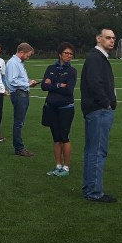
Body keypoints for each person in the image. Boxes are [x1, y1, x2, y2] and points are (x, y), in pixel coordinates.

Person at [82, 28, 118, 203]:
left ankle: (90, 188)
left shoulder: (97, 57)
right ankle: (94, 192)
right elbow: (95, 83)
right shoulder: (96, 58)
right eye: (108, 38)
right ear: (98, 39)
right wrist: (107, 103)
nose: (111, 41)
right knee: (97, 151)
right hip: (99, 110)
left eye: (113, 38)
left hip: (96, 110)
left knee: (92, 151)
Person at [41, 42, 77, 177]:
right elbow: (44, 86)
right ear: (60, 54)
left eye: (71, 54)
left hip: (66, 108)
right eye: (66, 53)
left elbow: (68, 90)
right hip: (52, 108)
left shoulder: (72, 71)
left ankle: (66, 167)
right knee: (56, 138)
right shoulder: (51, 68)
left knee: (64, 137)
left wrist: (53, 84)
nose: (68, 56)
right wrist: (59, 84)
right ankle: (58, 165)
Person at [5, 42, 38, 157]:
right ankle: (19, 148)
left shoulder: (18, 63)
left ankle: (19, 147)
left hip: (22, 93)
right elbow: (13, 80)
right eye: (28, 55)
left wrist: (28, 81)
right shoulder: (13, 63)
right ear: (21, 52)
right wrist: (27, 83)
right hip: (19, 94)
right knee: (18, 122)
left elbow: (19, 78)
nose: (28, 58)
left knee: (20, 121)